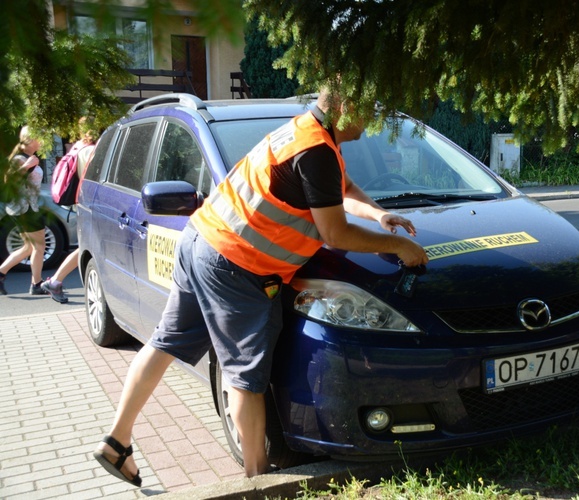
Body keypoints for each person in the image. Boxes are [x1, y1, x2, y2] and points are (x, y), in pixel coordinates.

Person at [93, 89, 429, 486]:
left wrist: (378, 214)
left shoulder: (308, 134)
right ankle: (258, 482)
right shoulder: (316, 150)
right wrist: (398, 246)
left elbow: (343, 188)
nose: (370, 120)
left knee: (165, 343)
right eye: (367, 110)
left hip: (202, 238)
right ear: (343, 106)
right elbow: (334, 232)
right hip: (236, 263)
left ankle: (118, 440)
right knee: (246, 378)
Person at [40, 119, 99, 303]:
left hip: (79, 203)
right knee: (86, 246)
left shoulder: (77, 147)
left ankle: (56, 281)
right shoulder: (90, 151)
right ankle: (56, 281)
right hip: (89, 204)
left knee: (86, 246)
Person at [0, 126, 47, 296]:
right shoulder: (20, 159)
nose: (42, 141)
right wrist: (27, 165)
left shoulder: (28, 157)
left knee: (30, 247)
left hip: (28, 207)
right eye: (39, 137)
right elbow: (9, 180)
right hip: (25, 208)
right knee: (39, 246)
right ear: (30, 139)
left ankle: (1, 273)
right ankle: (36, 284)